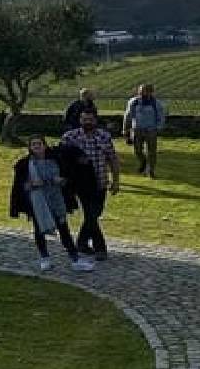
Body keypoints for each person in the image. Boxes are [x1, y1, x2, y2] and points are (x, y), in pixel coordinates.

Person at [9, 136, 95, 273]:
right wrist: (32, 184)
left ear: (44, 145)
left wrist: (61, 180)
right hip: (38, 201)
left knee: (64, 229)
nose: (37, 147)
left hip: (56, 199)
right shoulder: (25, 165)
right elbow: (21, 186)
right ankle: (45, 258)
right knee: (39, 230)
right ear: (30, 147)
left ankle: (75, 259)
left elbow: (68, 178)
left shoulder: (57, 160)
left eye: (39, 144)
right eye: (33, 144)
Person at [60, 111, 121, 260]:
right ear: (80, 120)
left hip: (100, 181)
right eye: (84, 119)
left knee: (96, 213)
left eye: (90, 119)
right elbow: (60, 159)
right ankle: (100, 247)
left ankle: (81, 242)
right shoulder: (70, 137)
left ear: (95, 120)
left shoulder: (104, 136)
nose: (87, 122)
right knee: (90, 214)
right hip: (80, 183)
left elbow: (112, 159)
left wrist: (116, 180)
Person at [123, 83, 165, 178]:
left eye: (144, 91)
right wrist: (125, 129)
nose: (141, 93)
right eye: (140, 91)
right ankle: (143, 162)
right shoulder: (133, 102)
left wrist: (158, 128)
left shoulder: (157, 103)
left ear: (151, 92)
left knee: (151, 152)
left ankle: (151, 170)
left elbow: (161, 117)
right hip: (137, 129)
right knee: (137, 150)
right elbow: (127, 116)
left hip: (151, 130)